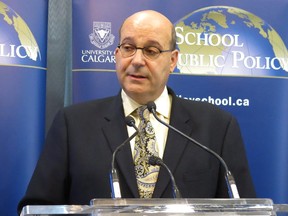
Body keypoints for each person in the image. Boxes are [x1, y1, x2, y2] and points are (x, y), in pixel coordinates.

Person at [18, 10, 255, 213]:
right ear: (117, 54)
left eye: (151, 51)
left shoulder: (217, 127)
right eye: (129, 48)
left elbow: (243, 210)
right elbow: (39, 207)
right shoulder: (74, 124)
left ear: (172, 60)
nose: (137, 60)